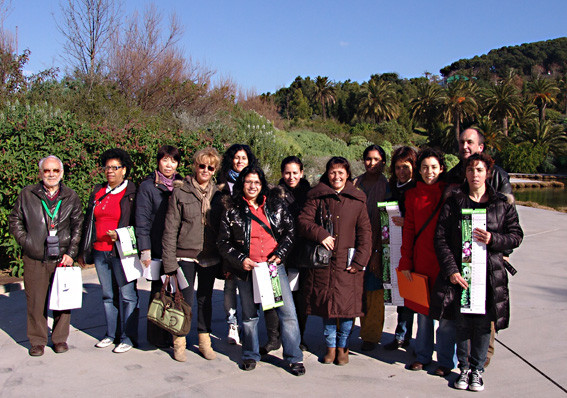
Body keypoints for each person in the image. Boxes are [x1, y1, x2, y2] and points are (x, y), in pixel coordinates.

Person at [433, 153, 523, 391]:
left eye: (480, 170)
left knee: (483, 325)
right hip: (461, 274)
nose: (475, 174)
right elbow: (440, 238)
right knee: (461, 323)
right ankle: (463, 369)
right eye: (471, 170)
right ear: (465, 173)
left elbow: (516, 236)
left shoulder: (501, 203)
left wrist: (494, 238)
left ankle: (478, 370)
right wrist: (451, 270)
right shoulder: (454, 201)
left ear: (488, 173)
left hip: (489, 275)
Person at [217, 165, 305, 375]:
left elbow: (290, 232)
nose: (253, 186)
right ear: (242, 184)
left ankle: (294, 357)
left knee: (288, 313)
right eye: (248, 182)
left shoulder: (276, 205)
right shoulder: (232, 209)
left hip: (273, 268)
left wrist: (280, 254)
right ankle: (249, 354)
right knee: (249, 315)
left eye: (257, 182)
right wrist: (241, 260)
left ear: (262, 184)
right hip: (247, 269)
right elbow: (222, 241)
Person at [445, 127, 512, 366]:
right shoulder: (452, 175)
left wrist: (499, 248)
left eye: (470, 142)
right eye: (462, 142)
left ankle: (481, 362)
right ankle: (463, 360)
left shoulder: (498, 177)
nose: (465, 146)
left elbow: (508, 223)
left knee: (486, 315)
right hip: (460, 257)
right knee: (461, 312)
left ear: (481, 147)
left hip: (488, 258)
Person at [298, 157, 372, 365]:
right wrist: (320, 233)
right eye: (332, 172)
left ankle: (343, 349)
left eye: (341, 172)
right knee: (328, 309)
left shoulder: (358, 200)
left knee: (348, 310)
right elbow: (303, 221)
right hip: (324, 264)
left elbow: (365, 234)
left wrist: (359, 262)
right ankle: (330, 348)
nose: (336, 176)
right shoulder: (317, 196)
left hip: (348, 265)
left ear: (348, 174)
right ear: (327, 173)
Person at [9, 155, 83, 357]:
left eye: (55, 170)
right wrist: (28, 242)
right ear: (40, 173)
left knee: (63, 300)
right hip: (35, 258)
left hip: (62, 258)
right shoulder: (27, 194)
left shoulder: (71, 196)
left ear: (62, 173)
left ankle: (59, 339)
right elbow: (15, 219)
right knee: (35, 301)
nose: (51, 174)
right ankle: (38, 340)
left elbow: (78, 225)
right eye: (47, 171)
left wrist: (71, 253)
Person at [398, 148, 456, 376]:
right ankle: (422, 356)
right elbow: (409, 230)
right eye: (424, 167)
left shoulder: (450, 194)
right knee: (423, 315)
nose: (429, 171)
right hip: (421, 260)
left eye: (433, 167)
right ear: (418, 170)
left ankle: (445, 361)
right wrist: (406, 261)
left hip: (444, 262)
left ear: (442, 169)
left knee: (446, 316)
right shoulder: (412, 195)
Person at [161, 147, 223, 362]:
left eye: (210, 167)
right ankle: (179, 341)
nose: (205, 170)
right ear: (195, 166)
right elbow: (170, 229)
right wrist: (169, 262)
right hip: (184, 256)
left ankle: (205, 341)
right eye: (201, 165)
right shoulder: (181, 192)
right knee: (183, 300)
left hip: (209, 256)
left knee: (205, 300)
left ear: (215, 170)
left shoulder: (218, 195)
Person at [81, 148, 138, 354]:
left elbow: (139, 224)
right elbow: (89, 221)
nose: (110, 171)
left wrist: (121, 234)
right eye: (107, 167)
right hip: (99, 250)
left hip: (122, 252)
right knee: (107, 294)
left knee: (127, 295)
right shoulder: (98, 191)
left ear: (124, 170)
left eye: (115, 167)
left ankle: (127, 336)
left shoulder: (131, 192)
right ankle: (110, 334)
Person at [261, 156, 311, 355]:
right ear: (282, 173)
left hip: (301, 253)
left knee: (300, 298)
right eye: (287, 173)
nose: (291, 177)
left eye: (295, 173)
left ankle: (298, 337)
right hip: (278, 252)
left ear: (302, 173)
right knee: (273, 296)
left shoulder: (309, 193)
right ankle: (274, 338)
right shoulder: (274, 194)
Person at [135, 145, 181, 349]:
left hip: (177, 247)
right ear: (158, 161)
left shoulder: (182, 184)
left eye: (173, 161)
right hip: (156, 246)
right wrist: (144, 249)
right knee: (158, 292)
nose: (169, 164)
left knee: (175, 292)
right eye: (165, 160)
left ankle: (172, 333)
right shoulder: (148, 187)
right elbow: (142, 220)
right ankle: (155, 337)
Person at [217, 144, 258, 345]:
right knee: (230, 285)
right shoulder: (222, 184)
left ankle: (250, 324)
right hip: (230, 243)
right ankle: (232, 325)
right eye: (236, 157)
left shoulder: (255, 182)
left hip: (252, 244)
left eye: (244, 157)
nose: (240, 161)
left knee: (250, 288)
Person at [353, 145, 389, 352]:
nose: (372, 163)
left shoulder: (387, 187)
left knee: (373, 293)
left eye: (376, 159)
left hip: (378, 246)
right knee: (353, 290)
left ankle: (370, 335)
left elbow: (385, 223)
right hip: (354, 246)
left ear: (383, 162)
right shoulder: (354, 184)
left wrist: (376, 253)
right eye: (368, 158)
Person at [382, 146, 418, 351]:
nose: (401, 172)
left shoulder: (417, 188)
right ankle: (400, 335)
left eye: (406, 167)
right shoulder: (391, 187)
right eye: (397, 167)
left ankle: (412, 338)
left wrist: (408, 222)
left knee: (413, 293)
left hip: (413, 245)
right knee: (400, 293)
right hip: (394, 245)